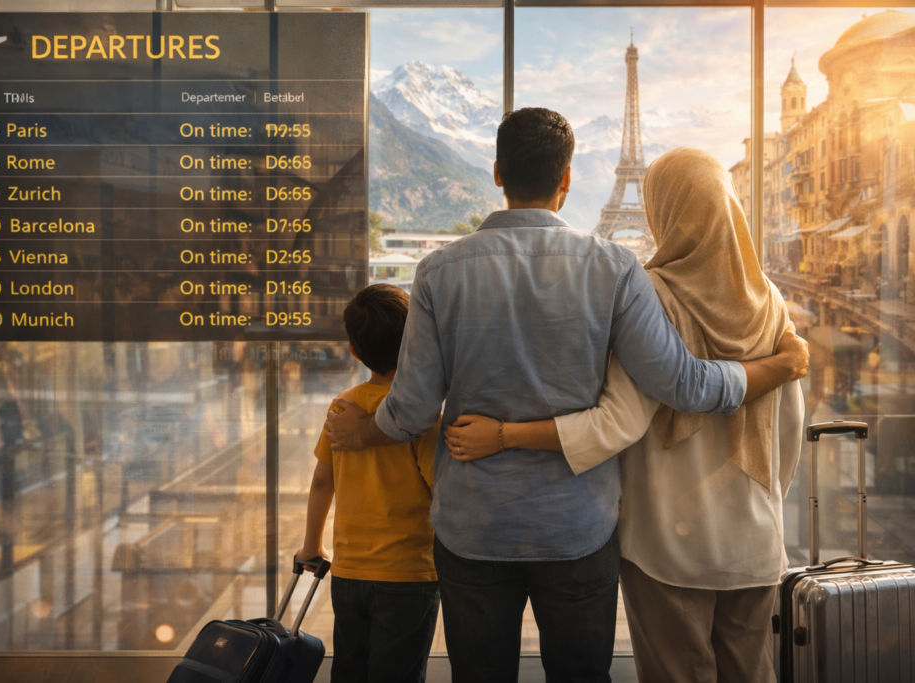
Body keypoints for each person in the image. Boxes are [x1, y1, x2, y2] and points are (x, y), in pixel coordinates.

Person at [323, 109, 809, 682]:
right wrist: (781, 366)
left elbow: (411, 410)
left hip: (474, 525)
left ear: (498, 173)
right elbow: (685, 385)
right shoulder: (615, 269)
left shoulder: (437, 272)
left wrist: (364, 429)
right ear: (569, 179)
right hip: (578, 527)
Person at [445, 147, 805, 683]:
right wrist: (763, 498)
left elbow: (618, 422)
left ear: (662, 210)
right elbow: (790, 430)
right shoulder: (769, 301)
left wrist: (504, 435)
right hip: (753, 537)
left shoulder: (650, 296)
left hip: (667, 539)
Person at [296, 283, 440, 683]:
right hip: (408, 576)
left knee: (350, 671)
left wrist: (312, 546)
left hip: (349, 573)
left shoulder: (343, 406)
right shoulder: (422, 414)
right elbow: (440, 492)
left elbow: (322, 481)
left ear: (355, 351)